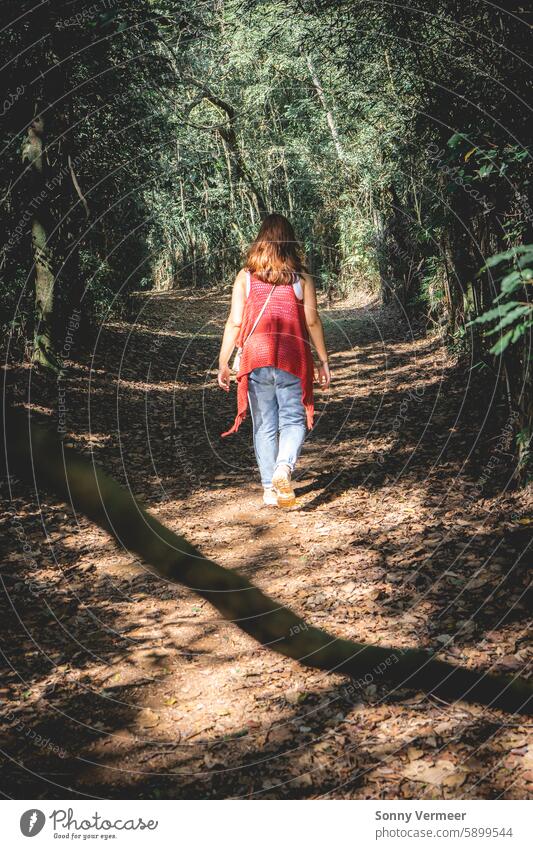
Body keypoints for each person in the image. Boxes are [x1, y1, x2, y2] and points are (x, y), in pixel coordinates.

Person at [217, 213, 330, 507]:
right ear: (290, 243)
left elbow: (235, 322)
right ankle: (284, 468)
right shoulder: (301, 279)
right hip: (292, 360)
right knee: (293, 419)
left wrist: (223, 362)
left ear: (261, 241)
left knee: (265, 424)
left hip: (255, 359)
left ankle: (269, 488)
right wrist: (323, 360)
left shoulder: (245, 277)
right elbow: (313, 322)